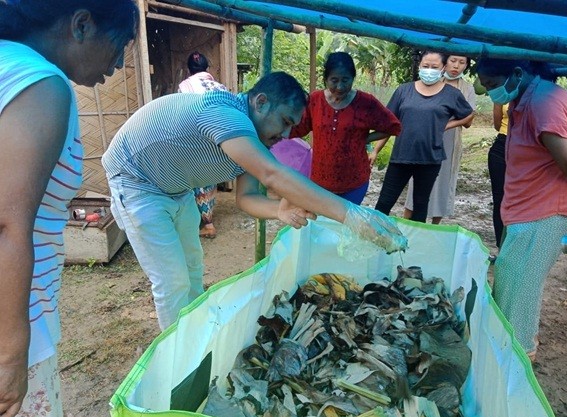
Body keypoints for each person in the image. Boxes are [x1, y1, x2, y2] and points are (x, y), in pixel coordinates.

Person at [102, 71, 407, 331]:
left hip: (177, 187)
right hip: (136, 183)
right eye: (285, 122)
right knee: (173, 282)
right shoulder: (224, 114)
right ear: (260, 103)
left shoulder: (253, 139)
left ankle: (193, 334)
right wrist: (352, 215)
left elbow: (245, 198)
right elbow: (273, 175)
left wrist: (280, 210)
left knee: (193, 270)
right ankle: (175, 357)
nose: (287, 134)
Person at [0, 1, 138, 417]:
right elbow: (7, 225)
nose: (117, 65)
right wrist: (10, 352)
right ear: (81, 24)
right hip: (13, 318)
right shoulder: (40, 85)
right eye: (119, 47)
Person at [476, 58, 567, 361]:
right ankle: (508, 356)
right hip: (527, 212)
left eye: (494, 84)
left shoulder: (543, 103)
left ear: (518, 73)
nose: (491, 92)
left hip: (543, 214)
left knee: (517, 298)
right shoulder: (527, 99)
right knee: (510, 285)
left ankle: (515, 366)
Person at [374, 51, 474, 222]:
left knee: (420, 207)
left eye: (434, 67)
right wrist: (375, 150)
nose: (429, 70)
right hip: (401, 157)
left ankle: (414, 245)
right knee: (384, 203)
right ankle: (373, 239)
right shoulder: (403, 91)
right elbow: (389, 123)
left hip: (430, 159)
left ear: (443, 68)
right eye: (426, 66)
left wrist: (447, 125)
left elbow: (468, 115)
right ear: (420, 65)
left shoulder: (452, 94)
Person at [290, 52, 401, 205]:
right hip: (319, 182)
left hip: (354, 182)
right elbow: (298, 128)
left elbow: (393, 126)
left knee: (345, 226)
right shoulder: (315, 101)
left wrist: (365, 138)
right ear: (325, 79)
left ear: (353, 78)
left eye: (346, 80)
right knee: (322, 225)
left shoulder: (366, 102)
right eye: (334, 80)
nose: (340, 87)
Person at [403, 54, 476, 224]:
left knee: (443, 181)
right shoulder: (431, 82)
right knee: (417, 181)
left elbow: (468, 120)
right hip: (425, 138)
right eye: (453, 61)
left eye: (461, 62)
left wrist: (446, 125)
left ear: (466, 65)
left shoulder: (467, 89)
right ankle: (408, 222)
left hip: (449, 142)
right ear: (444, 63)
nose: (456, 65)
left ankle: (435, 226)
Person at [179, 51, 229, 239]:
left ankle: (207, 225)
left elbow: (182, 116)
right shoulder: (220, 87)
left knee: (196, 183)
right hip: (218, 140)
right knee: (208, 180)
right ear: (207, 69)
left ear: (189, 70)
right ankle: (207, 218)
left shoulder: (185, 86)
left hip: (195, 141)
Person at [488, 103, 509, 249]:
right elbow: (497, 124)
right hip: (502, 145)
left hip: (528, 148)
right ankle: (502, 248)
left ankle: (516, 249)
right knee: (499, 199)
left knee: (522, 200)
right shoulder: (502, 89)